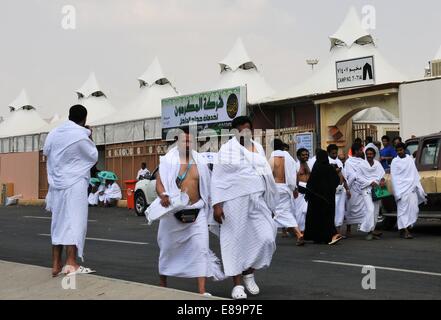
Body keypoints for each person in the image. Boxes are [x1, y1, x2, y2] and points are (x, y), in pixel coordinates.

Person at [212, 116, 277, 300]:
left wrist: (269, 202)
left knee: (267, 237)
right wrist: (217, 205)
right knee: (234, 241)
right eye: (241, 130)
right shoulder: (227, 150)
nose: (244, 133)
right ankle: (237, 285)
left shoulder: (258, 147)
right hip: (234, 200)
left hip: (258, 198)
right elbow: (217, 179)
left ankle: (249, 271)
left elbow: (265, 174)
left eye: (248, 129)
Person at [154, 128, 223, 296]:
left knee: (201, 248)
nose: (187, 143)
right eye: (184, 140)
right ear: (177, 142)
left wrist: (215, 206)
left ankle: (201, 290)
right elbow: (159, 183)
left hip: (196, 212)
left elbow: (208, 186)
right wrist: (163, 195)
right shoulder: (168, 161)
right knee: (167, 248)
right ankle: (163, 283)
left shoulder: (200, 162)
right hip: (172, 212)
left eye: (190, 141)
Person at [43, 104, 98, 277]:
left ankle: (55, 263)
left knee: (58, 222)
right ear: (84, 119)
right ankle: (71, 262)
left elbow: (46, 151)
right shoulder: (80, 136)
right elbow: (93, 156)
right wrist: (90, 136)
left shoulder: (54, 133)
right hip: (75, 183)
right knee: (74, 221)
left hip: (57, 183)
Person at [304, 150, 343, 245]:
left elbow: (310, 183)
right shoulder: (329, 168)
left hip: (316, 199)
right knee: (327, 217)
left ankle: (316, 237)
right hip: (327, 198)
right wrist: (336, 172)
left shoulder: (316, 167)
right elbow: (336, 181)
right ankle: (328, 236)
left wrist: (308, 194)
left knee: (316, 217)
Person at [270, 139, 304, 246]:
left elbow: (268, 174)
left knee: (281, 213)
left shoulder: (271, 158)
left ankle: (298, 234)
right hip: (287, 188)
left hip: (276, 188)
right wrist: (295, 188)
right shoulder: (289, 157)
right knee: (282, 212)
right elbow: (294, 173)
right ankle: (271, 236)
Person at [391, 143, 427, 239]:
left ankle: (404, 228)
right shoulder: (395, 161)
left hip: (411, 188)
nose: (399, 152)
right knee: (403, 211)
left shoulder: (409, 159)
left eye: (401, 150)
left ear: (404, 150)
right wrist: (397, 192)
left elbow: (414, 174)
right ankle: (405, 231)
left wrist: (418, 187)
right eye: (398, 150)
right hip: (401, 190)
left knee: (414, 209)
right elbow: (394, 178)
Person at [357, 147, 386, 241]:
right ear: (365, 155)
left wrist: (382, 180)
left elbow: (382, 174)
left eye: (371, 154)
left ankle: (371, 231)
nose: (369, 155)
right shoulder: (362, 164)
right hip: (366, 189)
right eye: (368, 154)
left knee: (376, 211)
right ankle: (366, 229)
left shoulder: (377, 164)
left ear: (374, 155)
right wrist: (370, 182)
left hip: (377, 189)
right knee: (370, 209)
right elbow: (358, 178)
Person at [343, 143, 367, 237]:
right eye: (361, 150)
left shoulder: (363, 161)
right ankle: (348, 229)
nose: (362, 152)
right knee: (350, 208)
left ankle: (366, 228)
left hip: (361, 187)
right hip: (352, 188)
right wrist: (355, 177)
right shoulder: (349, 162)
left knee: (364, 209)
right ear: (356, 151)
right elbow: (348, 175)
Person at [327, 144, 350, 234]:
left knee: (340, 210)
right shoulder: (326, 162)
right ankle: (331, 231)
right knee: (333, 210)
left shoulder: (339, 162)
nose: (334, 155)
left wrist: (347, 189)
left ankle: (338, 231)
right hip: (331, 189)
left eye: (336, 153)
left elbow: (343, 176)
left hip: (340, 189)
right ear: (328, 153)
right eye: (333, 153)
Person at [295, 148, 311, 233]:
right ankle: (300, 231)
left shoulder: (310, 164)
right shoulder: (296, 166)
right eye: (303, 155)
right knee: (299, 212)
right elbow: (293, 179)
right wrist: (295, 189)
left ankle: (305, 230)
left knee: (307, 211)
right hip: (299, 191)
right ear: (298, 156)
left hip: (308, 190)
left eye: (307, 154)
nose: (306, 156)